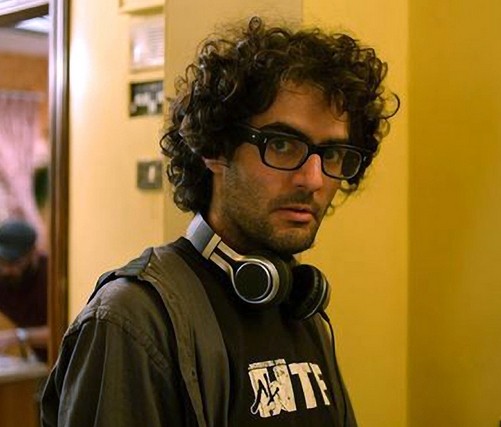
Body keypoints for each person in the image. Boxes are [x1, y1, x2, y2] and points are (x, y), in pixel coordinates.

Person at [41, 16, 398, 427]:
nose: (313, 179)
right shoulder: (134, 320)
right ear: (215, 148)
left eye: (331, 154)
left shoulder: (302, 308)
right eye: (282, 145)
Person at [0, 219, 49, 362]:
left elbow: (64, 330)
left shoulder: (50, 276)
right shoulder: (4, 277)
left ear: (34, 253)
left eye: (15, 262)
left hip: (67, 360)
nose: (7, 270)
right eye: (2, 262)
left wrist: (18, 336)